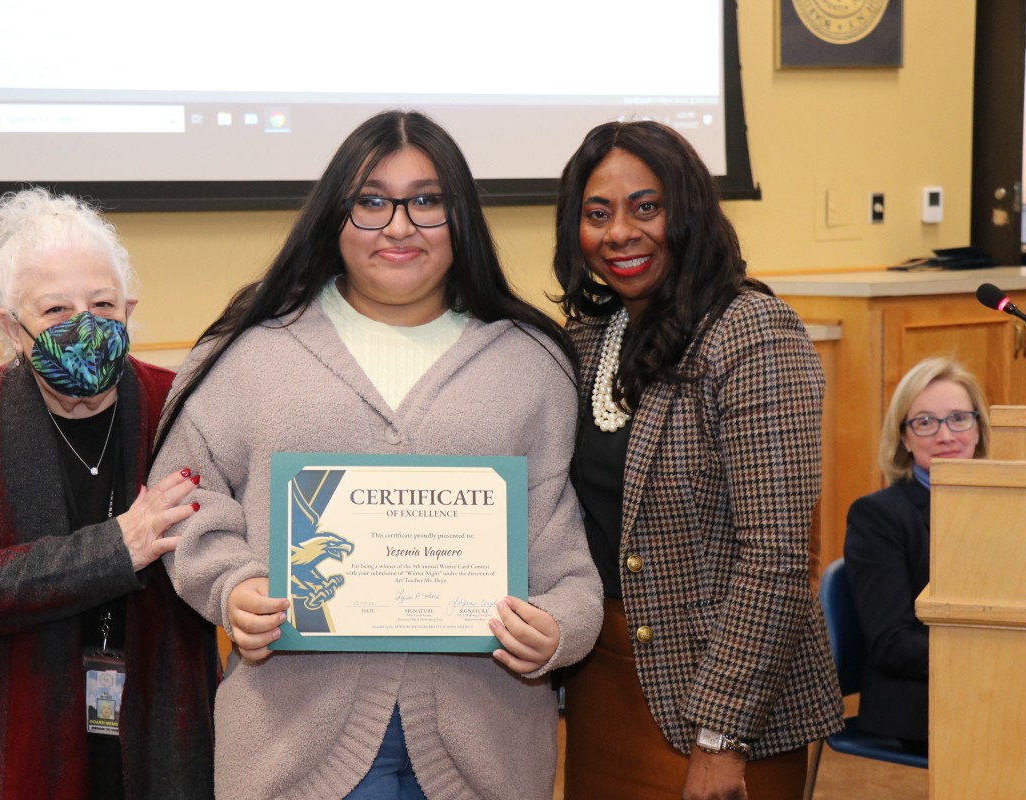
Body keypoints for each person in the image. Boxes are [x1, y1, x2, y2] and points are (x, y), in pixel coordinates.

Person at [149, 110, 602, 800]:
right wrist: (232, 586)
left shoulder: (532, 363)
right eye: (371, 201)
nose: (398, 226)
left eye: (426, 201)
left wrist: (560, 629)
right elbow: (185, 494)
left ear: (462, 218)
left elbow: (563, 550)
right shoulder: (244, 353)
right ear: (335, 214)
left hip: (488, 747)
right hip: (288, 744)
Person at [553, 120, 844, 800]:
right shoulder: (591, 335)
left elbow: (774, 557)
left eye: (645, 207)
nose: (619, 232)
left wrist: (720, 739)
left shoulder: (752, 333)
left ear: (687, 211)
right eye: (598, 214)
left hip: (723, 706)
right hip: (604, 685)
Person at [0, 188, 219, 800]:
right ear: (11, 327)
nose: (85, 326)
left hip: (158, 719)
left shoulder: (180, 405)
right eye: (55, 311)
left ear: (129, 308)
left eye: (102, 303)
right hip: (9, 726)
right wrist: (114, 549)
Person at [843, 356, 989, 757]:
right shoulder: (878, 516)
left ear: (978, 428)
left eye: (959, 418)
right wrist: (990, 663)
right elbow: (891, 642)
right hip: (924, 697)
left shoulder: (1006, 504)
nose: (946, 435)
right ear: (903, 438)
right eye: (925, 422)